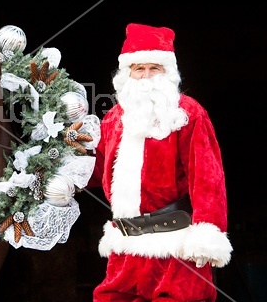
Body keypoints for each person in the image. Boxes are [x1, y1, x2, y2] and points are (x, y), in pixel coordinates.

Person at [88, 23, 233, 301]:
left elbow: (208, 178)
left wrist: (208, 232)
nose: (145, 77)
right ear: (126, 73)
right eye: (138, 69)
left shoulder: (189, 114)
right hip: (125, 251)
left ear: (167, 72)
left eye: (154, 68)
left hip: (176, 249)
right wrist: (59, 163)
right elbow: (96, 170)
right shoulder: (114, 119)